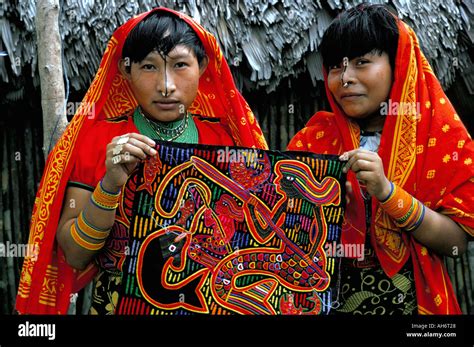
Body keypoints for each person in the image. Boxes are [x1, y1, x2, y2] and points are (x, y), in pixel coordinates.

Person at [16, 7, 267, 314]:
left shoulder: (226, 143)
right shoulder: (97, 142)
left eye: (180, 65)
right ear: (125, 69)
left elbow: (254, 239)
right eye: (149, 67)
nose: (166, 85)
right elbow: (75, 254)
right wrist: (109, 185)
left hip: (210, 304)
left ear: (202, 66)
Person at [288, 4, 473, 314]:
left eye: (362, 62)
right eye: (335, 66)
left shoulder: (437, 139)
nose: (345, 78)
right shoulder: (314, 140)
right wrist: (318, 207)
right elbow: (284, 233)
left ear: (398, 65)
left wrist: (388, 193)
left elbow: (456, 242)